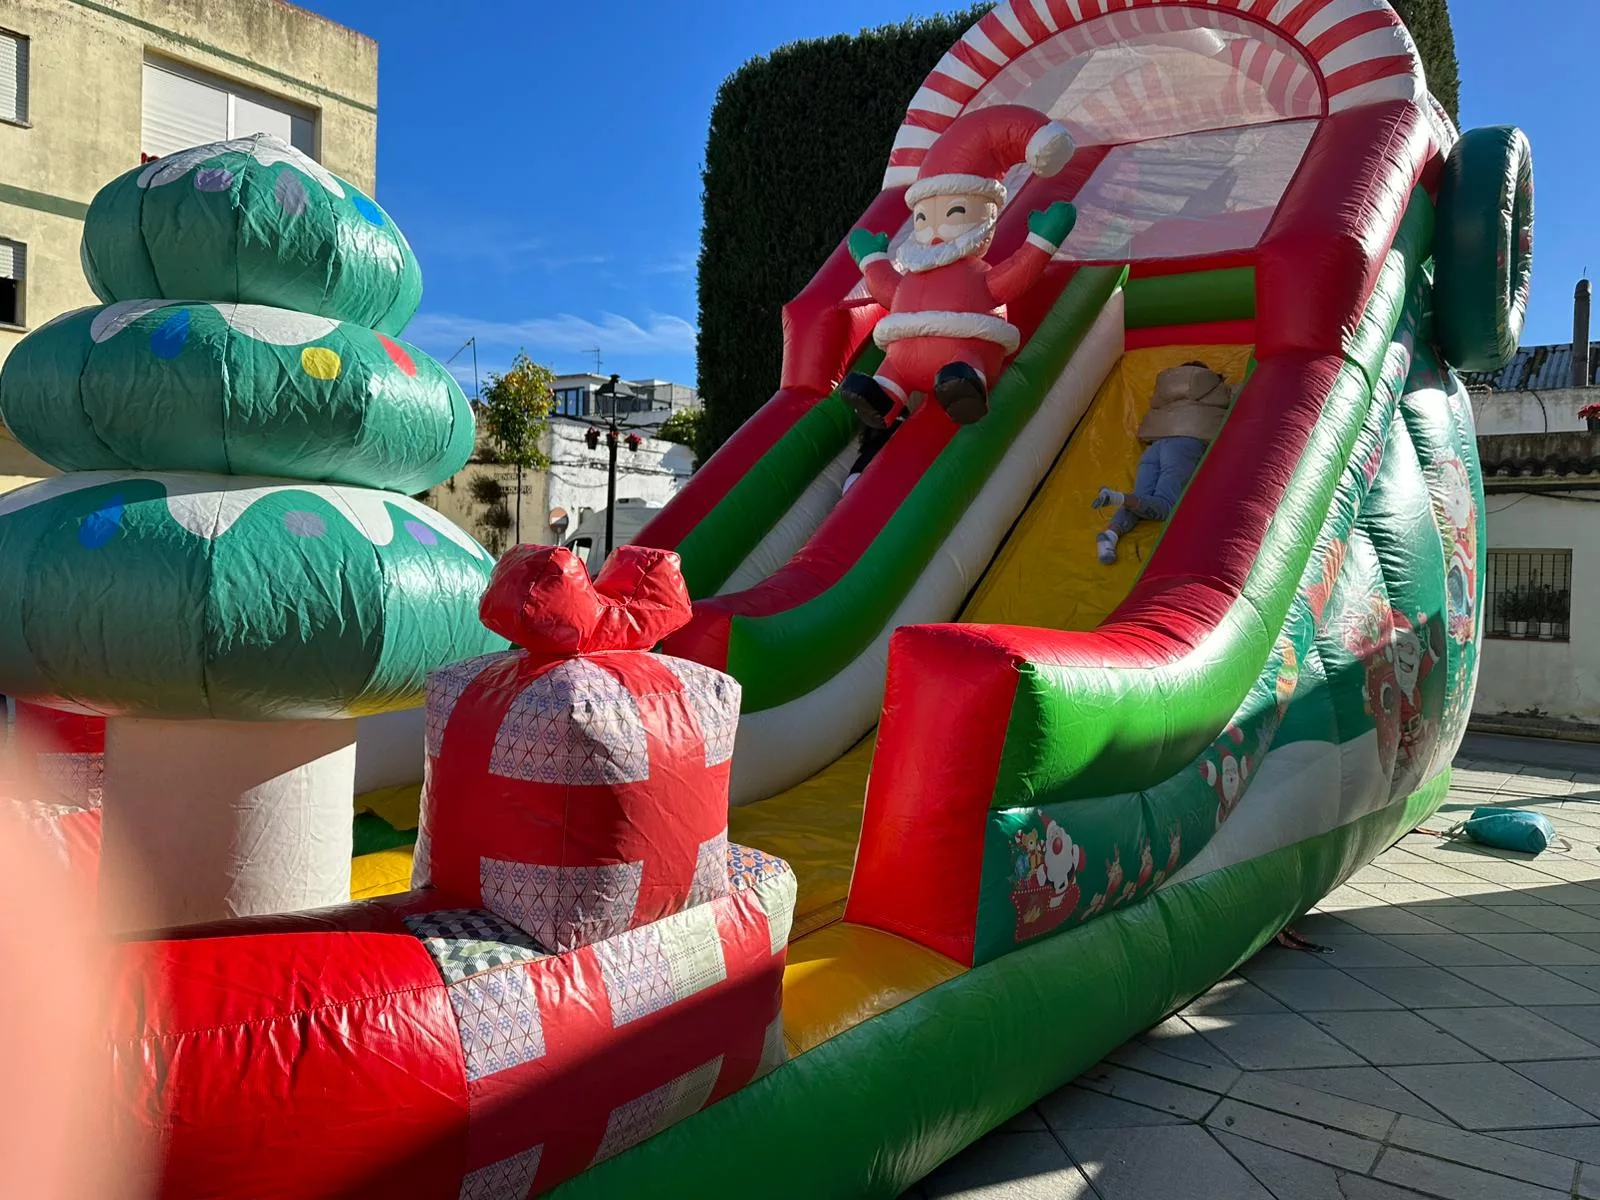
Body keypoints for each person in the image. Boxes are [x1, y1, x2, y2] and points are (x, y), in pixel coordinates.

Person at [839, 104, 1079, 494]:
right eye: (922, 219)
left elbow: (1013, 278)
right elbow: (887, 289)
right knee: (894, 365)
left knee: (963, 358)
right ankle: (884, 397)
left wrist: (1042, 240)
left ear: (984, 215)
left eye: (953, 213)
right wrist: (872, 259)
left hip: (964, 348)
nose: (934, 232)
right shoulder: (914, 275)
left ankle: (965, 385)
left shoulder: (977, 275)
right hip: (904, 354)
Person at [1093, 361, 1234, 564]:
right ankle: (1118, 498)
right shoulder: (1214, 387)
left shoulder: (1164, 390)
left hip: (1155, 445)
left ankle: (1110, 534)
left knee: (1141, 497)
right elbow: (1240, 397)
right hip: (1186, 442)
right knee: (1165, 505)